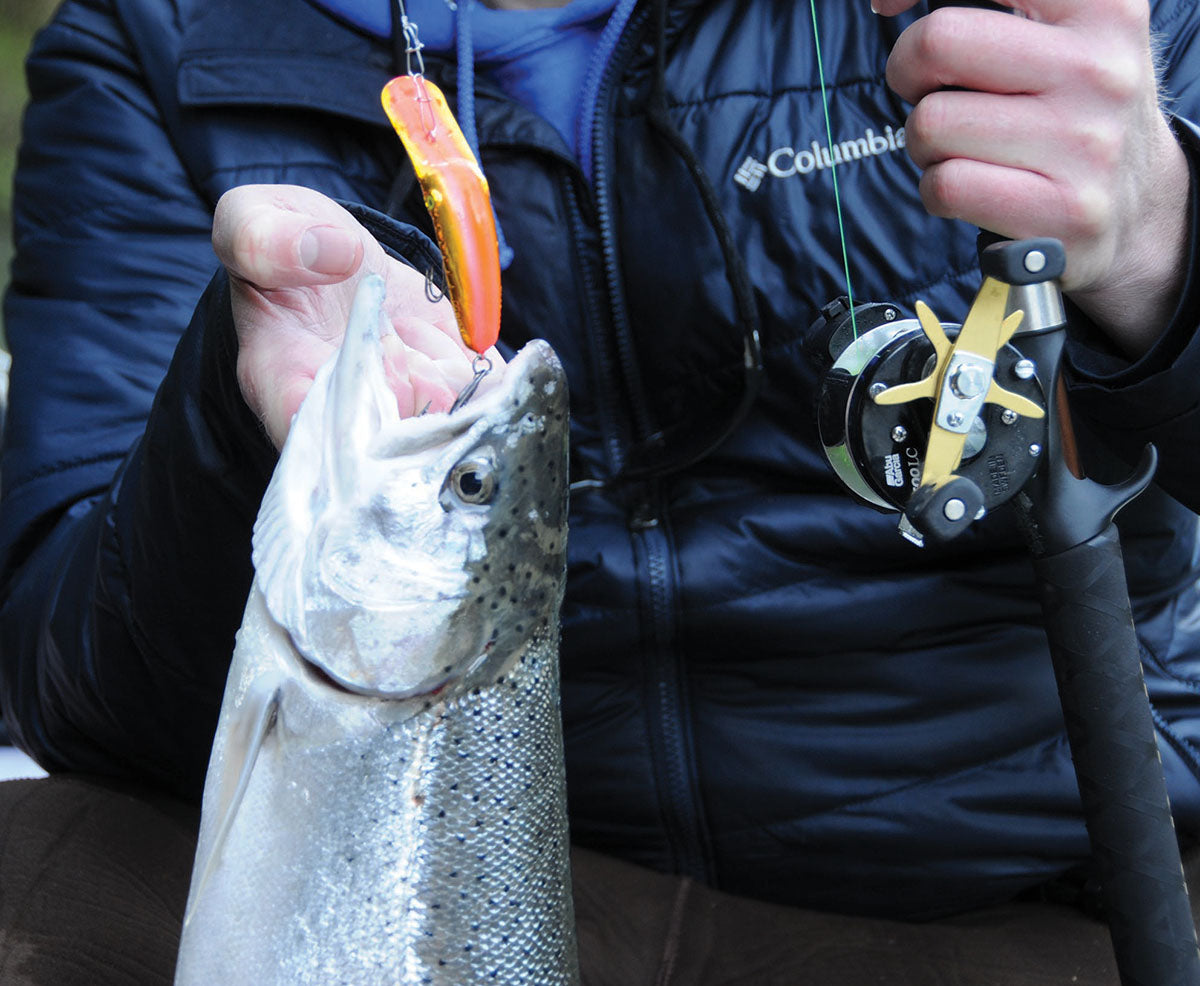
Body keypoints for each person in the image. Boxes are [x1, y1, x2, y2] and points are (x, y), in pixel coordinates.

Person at [3, 0, 1200, 980]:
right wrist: (236, 415)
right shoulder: (149, 38)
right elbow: (73, 690)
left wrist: (1159, 236)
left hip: (1041, 880)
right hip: (484, 878)